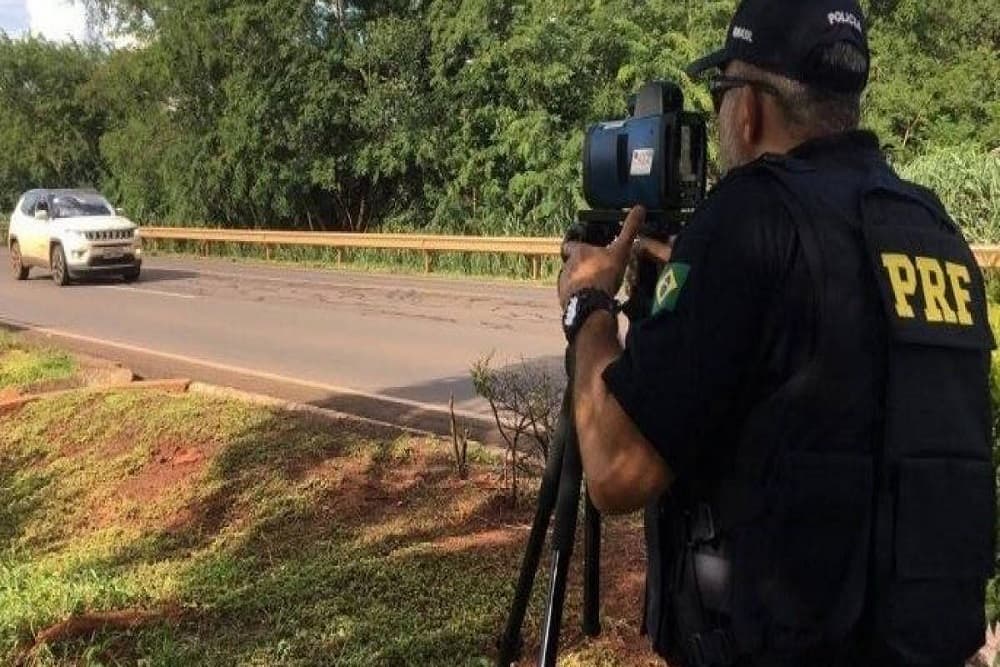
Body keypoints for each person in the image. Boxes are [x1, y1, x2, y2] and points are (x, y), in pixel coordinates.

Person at [557, 0, 996, 665]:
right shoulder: (934, 232)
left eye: (723, 90)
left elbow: (615, 471)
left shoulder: (748, 218)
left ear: (750, 107)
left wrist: (588, 303)